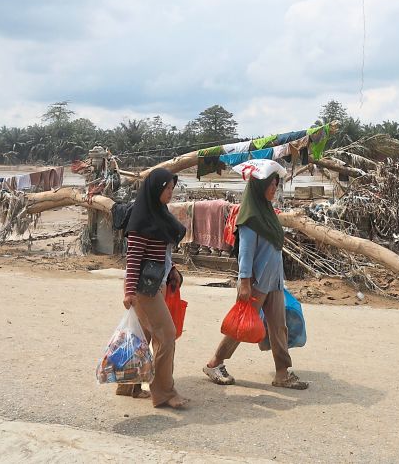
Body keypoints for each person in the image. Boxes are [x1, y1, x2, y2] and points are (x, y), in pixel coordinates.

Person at [203, 166, 309, 390]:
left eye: (275, 185)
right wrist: (244, 282)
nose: (273, 189)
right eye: (270, 185)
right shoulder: (250, 217)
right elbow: (246, 253)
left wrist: (280, 279)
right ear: (259, 186)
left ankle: (282, 373)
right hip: (256, 282)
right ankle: (214, 363)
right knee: (241, 326)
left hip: (274, 281)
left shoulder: (267, 213)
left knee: (279, 328)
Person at [120, 167, 190, 408]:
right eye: (166, 188)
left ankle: (128, 384)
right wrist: (129, 292)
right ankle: (164, 392)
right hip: (143, 289)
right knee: (166, 334)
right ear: (155, 190)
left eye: (172, 188)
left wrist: (172, 271)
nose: (170, 192)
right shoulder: (141, 222)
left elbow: (160, 255)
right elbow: (134, 259)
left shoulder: (159, 215)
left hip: (156, 283)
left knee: (143, 336)